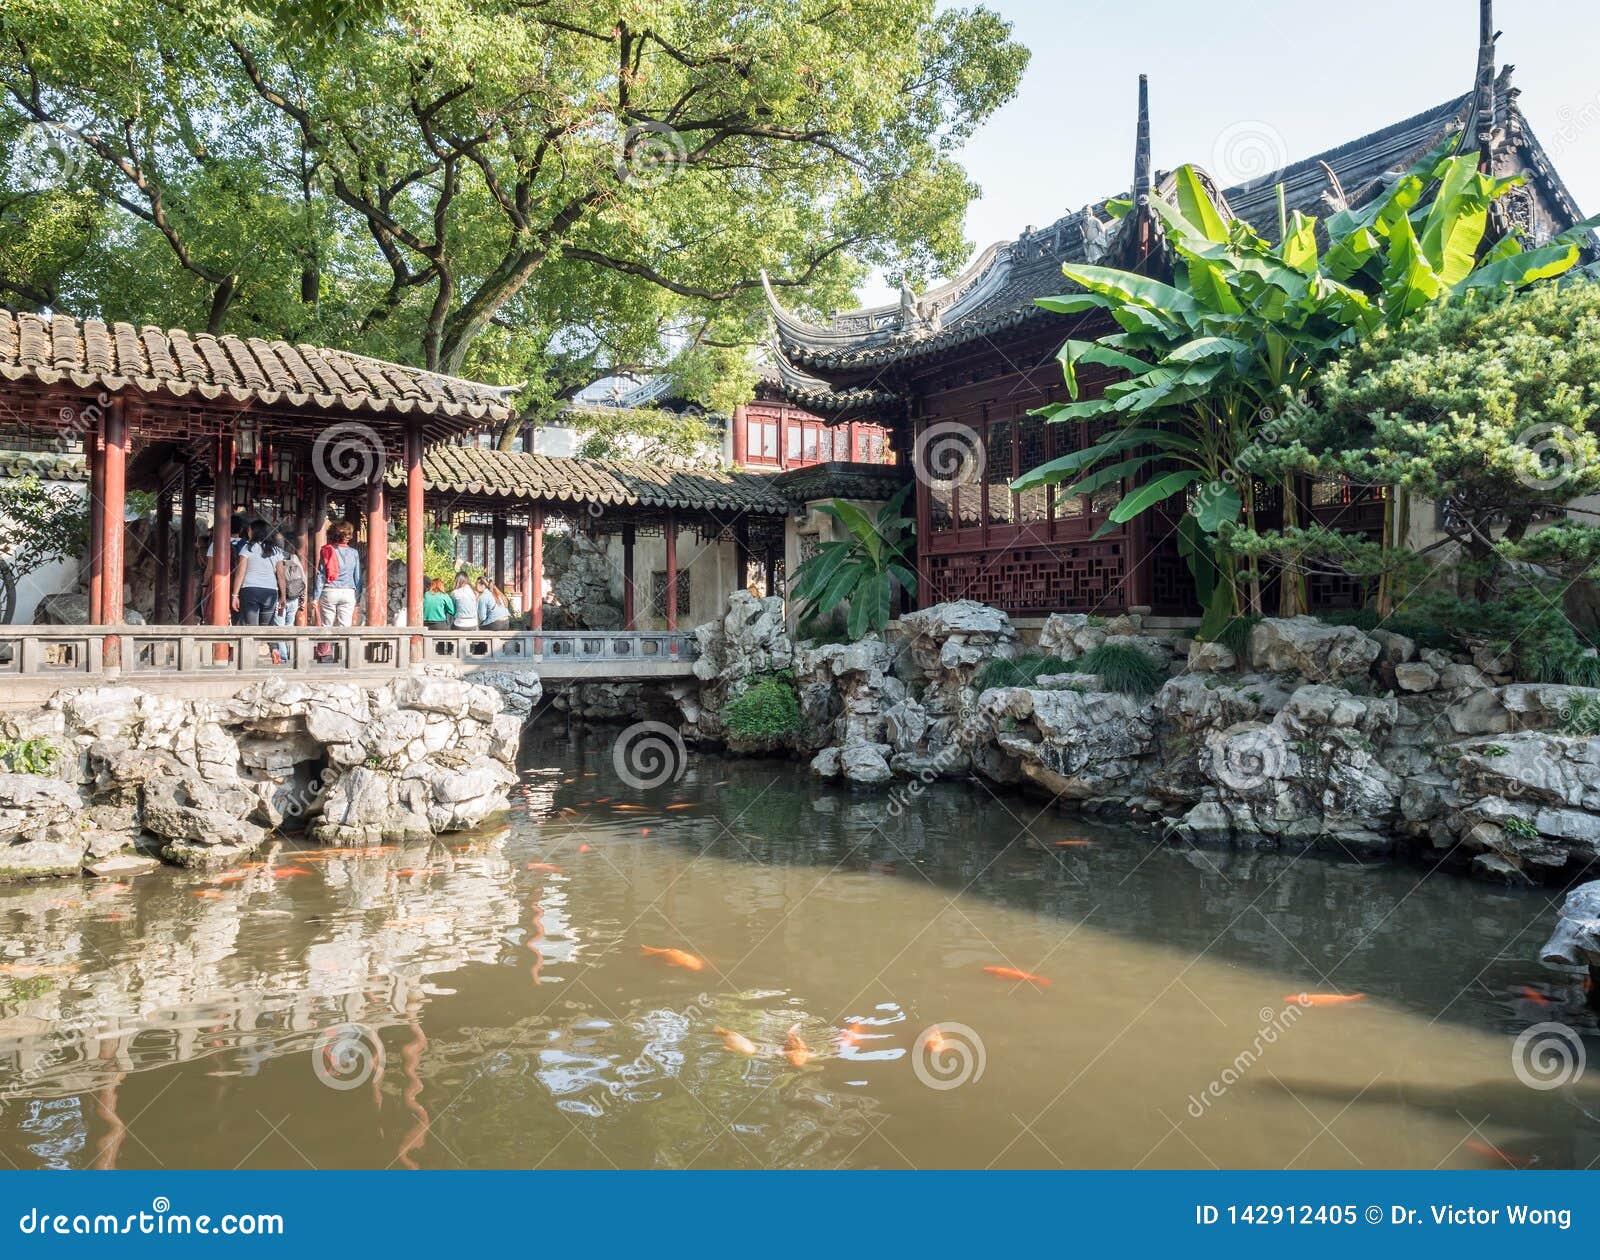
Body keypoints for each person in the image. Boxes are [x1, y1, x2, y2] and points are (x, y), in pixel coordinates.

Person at [231, 519, 286, 628]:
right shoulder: (276, 551)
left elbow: (240, 573)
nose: (248, 532)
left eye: (249, 530)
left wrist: (235, 595)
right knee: (265, 629)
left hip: (250, 590)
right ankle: (262, 645)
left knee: (251, 628)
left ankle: (252, 645)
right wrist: (283, 596)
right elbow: (281, 576)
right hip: (270, 591)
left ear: (253, 531)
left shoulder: (247, 549)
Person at [314, 520, 363, 627]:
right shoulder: (354, 553)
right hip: (348, 592)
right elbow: (358, 577)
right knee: (344, 628)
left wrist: (315, 597)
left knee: (326, 627)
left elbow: (321, 575)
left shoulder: (327, 550)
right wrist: (357, 597)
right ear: (349, 536)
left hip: (329, 591)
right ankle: (342, 644)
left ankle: (327, 644)